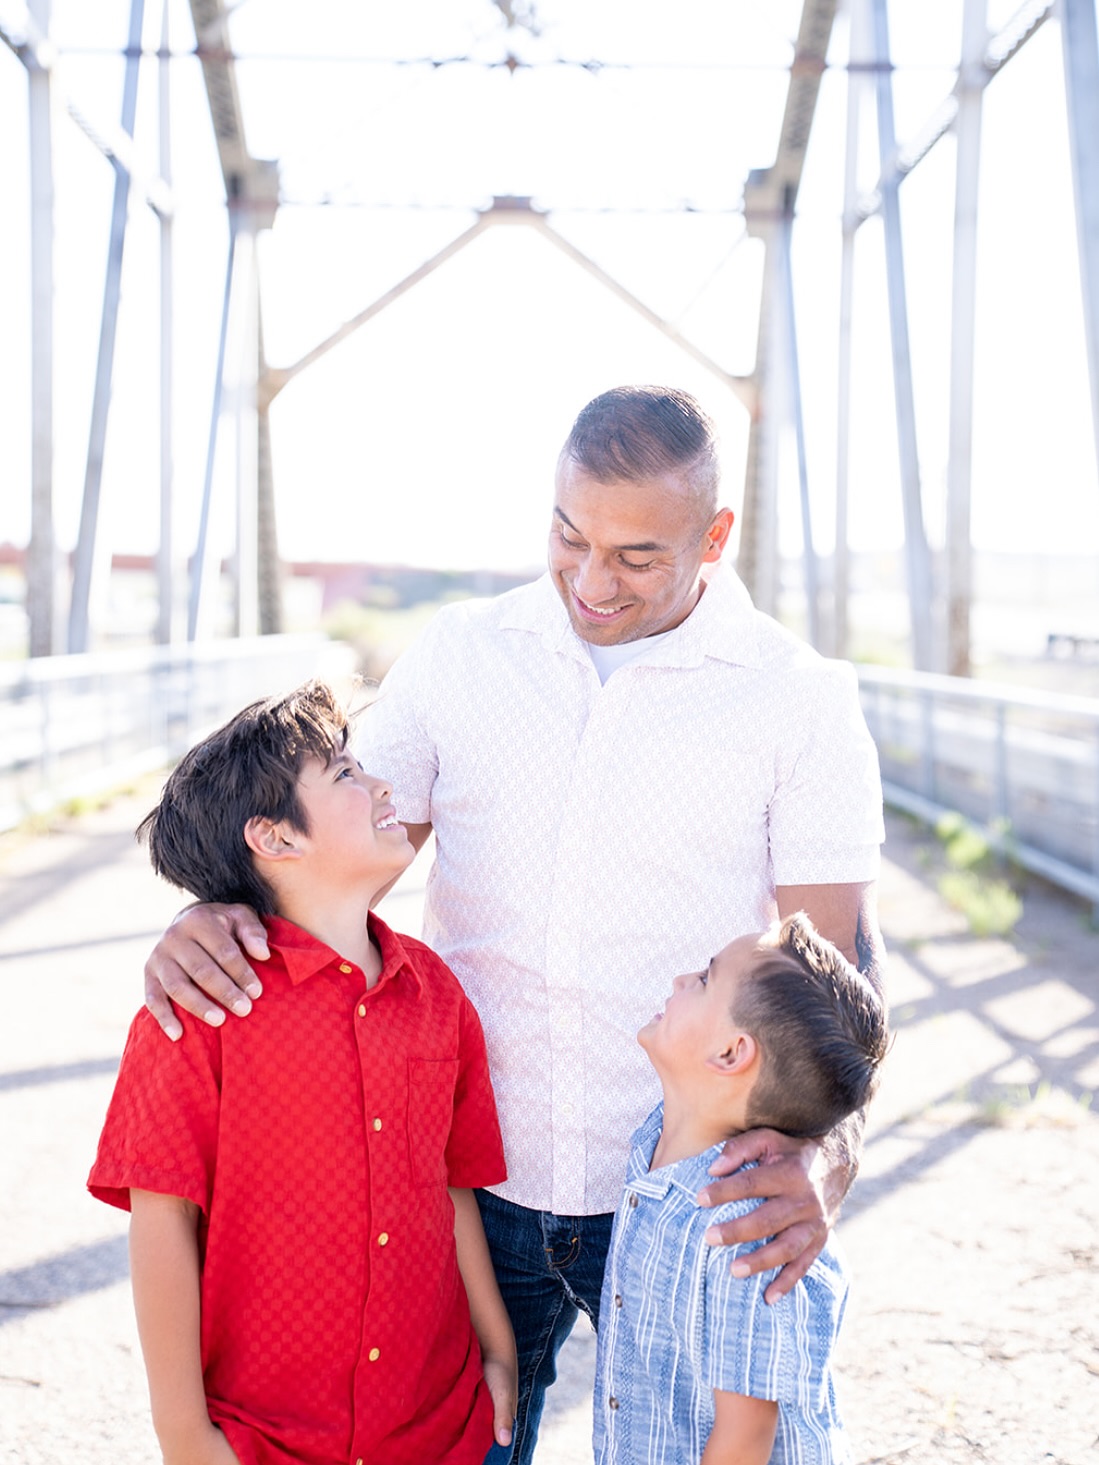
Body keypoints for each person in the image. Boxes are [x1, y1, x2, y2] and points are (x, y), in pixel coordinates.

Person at [142, 386, 886, 1464]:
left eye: (636, 557)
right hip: (463, 1185)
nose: (591, 582)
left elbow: (839, 976)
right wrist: (206, 914)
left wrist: (820, 1162)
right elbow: (321, 844)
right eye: (568, 536)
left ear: (714, 536)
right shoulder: (461, 654)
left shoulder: (798, 699)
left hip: (682, 1188)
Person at [88, 681, 517, 1465]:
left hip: (440, 1429)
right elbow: (161, 1225)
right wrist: (183, 1436)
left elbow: (452, 1187)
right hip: (266, 1442)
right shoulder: (197, 1012)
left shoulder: (436, 994)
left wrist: (498, 1349)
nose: (384, 785)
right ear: (274, 837)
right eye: (346, 775)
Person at [594, 913, 889, 1464]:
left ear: (731, 1053)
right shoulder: (652, 1144)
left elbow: (745, 1440)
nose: (683, 979)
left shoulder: (749, 1233)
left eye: (705, 979)